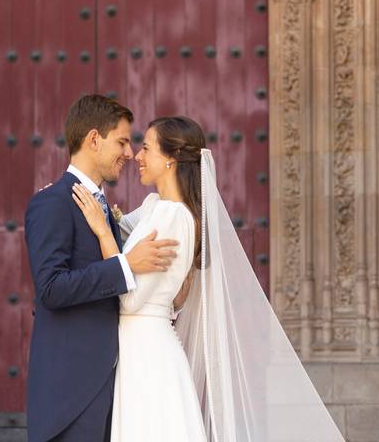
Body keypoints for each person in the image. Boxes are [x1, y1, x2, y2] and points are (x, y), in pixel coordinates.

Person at [73, 115, 346, 442]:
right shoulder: (155, 207)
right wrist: (69, 203)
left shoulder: (175, 217)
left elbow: (130, 299)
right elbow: (120, 229)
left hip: (149, 354)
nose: (137, 157)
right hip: (137, 351)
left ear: (171, 159)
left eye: (146, 148)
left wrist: (103, 233)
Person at [24, 94, 180, 442]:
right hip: (70, 398)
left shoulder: (106, 210)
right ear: (94, 140)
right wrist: (126, 265)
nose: (129, 153)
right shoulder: (51, 203)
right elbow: (51, 288)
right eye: (122, 142)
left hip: (114, 391)